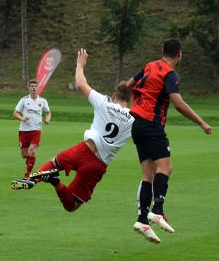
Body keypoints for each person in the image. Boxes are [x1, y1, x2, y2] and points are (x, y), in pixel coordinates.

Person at [10, 48, 135, 214]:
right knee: (71, 205)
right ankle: (56, 183)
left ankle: (33, 180)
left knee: (54, 163)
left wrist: (80, 65)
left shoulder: (104, 103)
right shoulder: (135, 117)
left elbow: (81, 84)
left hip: (83, 150)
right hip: (97, 165)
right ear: (131, 99)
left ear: (114, 95)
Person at [126, 38, 212, 244]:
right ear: (179, 54)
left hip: (137, 124)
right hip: (151, 125)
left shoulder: (150, 65)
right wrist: (201, 123)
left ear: (162, 51)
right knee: (166, 168)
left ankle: (141, 221)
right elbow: (179, 104)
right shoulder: (170, 74)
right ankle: (157, 211)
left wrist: (141, 100)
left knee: (148, 173)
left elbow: (129, 85)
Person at [13, 79, 51, 180]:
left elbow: (48, 112)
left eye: (35, 86)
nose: (34, 88)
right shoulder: (24, 100)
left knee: (33, 151)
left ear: (38, 88)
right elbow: (15, 113)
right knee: (24, 155)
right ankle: (29, 161)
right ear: (29, 88)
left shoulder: (42, 101)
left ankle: (27, 174)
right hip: (24, 130)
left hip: (36, 129)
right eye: (32, 86)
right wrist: (23, 119)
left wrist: (47, 119)